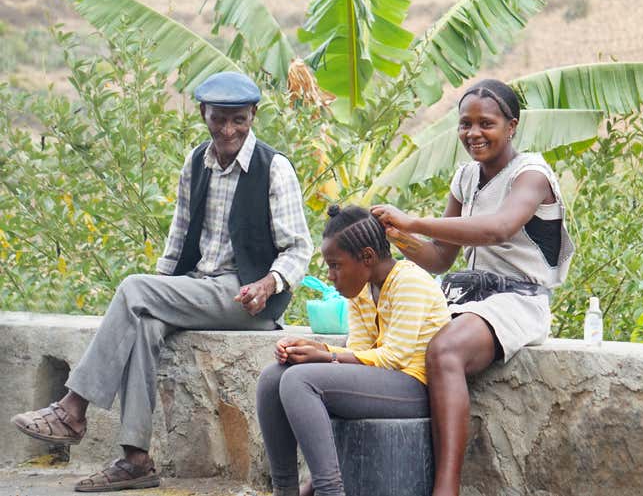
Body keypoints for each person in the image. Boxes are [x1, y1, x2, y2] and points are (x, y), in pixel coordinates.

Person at [11, 71, 313, 492]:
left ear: (253, 116)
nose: (228, 130)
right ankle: (135, 458)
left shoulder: (274, 168)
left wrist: (269, 284)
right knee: (145, 321)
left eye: (239, 120)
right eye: (219, 119)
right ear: (203, 113)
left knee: (135, 288)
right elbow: (178, 237)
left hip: (246, 299)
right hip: (199, 285)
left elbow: (299, 249)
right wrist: (160, 293)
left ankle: (72, 408)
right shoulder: (196, 164)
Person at [371, 79, 575, 496]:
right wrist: (398, 237)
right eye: (465, 124)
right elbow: (440, 258)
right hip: (462, 296)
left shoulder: (531, 174)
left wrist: (412, 220)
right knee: (389, 342)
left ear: (512, 126)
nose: (474, 133)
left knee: (445, 350)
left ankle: (446, 489)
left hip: (517, 300)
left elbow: (498, 230)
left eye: (487, 123)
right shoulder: (465, 177)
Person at [256, 205, 451, 496]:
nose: (331, 275)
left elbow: (393, 357)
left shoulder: (409, 282)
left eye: (336, 265)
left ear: (367, 257)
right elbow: (358, 350)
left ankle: (329, 491)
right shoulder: (362, 289)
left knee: (299, 381)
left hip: (415, 387)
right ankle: (285, 490)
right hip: (383, 384)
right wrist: (314, 348)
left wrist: (327, 355)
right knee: (274, 376)